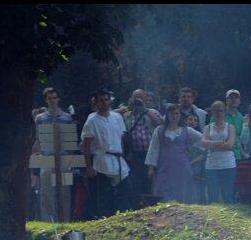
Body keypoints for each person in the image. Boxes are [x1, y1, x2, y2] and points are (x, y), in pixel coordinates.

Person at [81, 88, 130, 218]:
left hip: (118, 160)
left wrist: (123, 155)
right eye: (101, 100)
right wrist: (89, 167)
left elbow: (121, 138)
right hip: (102, 160)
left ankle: (123, 217)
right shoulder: (92, 120)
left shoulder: (117, 117)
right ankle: (105, 218)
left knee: (126, 190)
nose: (104, 103)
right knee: (104, 195)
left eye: (106, 100)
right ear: (96, 103)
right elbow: (86, 145)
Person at [33, 87, 77, 222]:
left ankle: (65, 220)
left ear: (58, 99)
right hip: (47, 157)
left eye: (54, 98)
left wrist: (70, 161)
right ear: (46, 100)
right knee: (46, 192)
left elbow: (70, 142)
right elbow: (37, 139)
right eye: (49, 98)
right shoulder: (40, 118)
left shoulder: (67, 117)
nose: (52, 100)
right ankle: (48, 221)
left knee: (64, 192)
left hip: (63, 158)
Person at [146, 104, 204, 204]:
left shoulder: (187, 130)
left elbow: (202, 139)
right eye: (172, 113)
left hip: (181, 167)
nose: (174, 116)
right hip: (164, 167)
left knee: (182, 192)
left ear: (180, 115)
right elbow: (153, 149)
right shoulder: (159, 130)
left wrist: (191, 149)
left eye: (177, 113)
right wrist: (151, 168)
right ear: (167, 115)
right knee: (164, 191)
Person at [120, 89, 162, 201]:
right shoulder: (126, 115)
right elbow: (110, 113)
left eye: (140, 98)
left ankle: (152, 203)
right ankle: (139, 204)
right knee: (137, 181)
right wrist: (126, 107)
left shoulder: (152, 112)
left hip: (150, 153)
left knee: (151, 179)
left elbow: (160, 125)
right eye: (135, 98)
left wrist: (144, 109)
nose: (138, 101)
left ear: (145, 99)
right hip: (134, 155)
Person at [202, 100, 238, 204]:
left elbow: (230, 145)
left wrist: (212, 145)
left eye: (220, 111)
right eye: (215, 111)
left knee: (227, 194)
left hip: (228, 165)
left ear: (225, 112)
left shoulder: (230, 127)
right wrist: (219, 142)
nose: (218, 113)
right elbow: (203, 143)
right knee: (212, 195)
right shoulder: (207, 128)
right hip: (211, 166)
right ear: (212, 112)